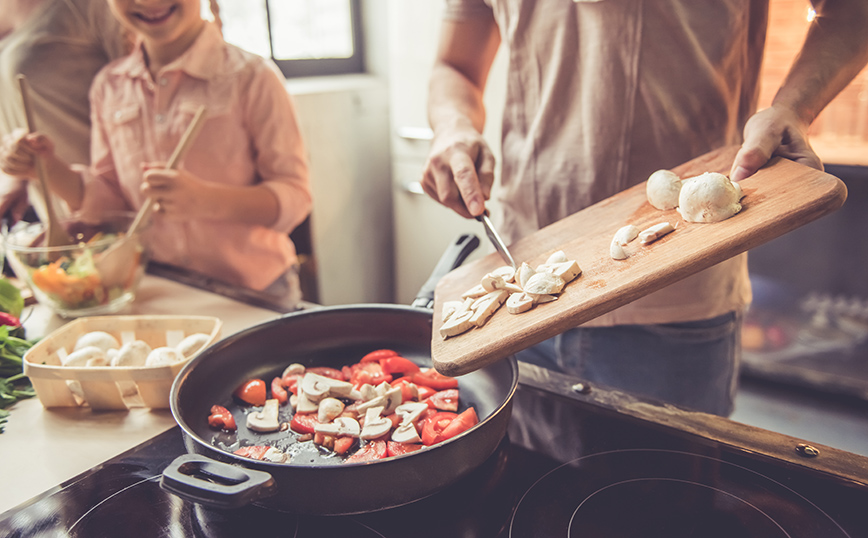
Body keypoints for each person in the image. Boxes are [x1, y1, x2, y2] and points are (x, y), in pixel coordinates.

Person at [422, 0, 868, 416]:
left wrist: (795, 108)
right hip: (522, 274)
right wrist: (452, 126)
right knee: (529, 482)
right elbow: (453, 66)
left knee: (666, 495)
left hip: (677, 298)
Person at [0, 0, 312, 305]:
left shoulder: (253, 77)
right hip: (162, 288)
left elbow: (295, 197)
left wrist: (205, 200)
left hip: (255, 290)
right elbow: (112, 201)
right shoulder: (108, 87)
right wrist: (47, 167)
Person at [0, 0, 129, 224]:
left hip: (115, 215)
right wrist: (15, 176)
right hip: (58, 224)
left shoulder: (89, 6)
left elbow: (148, 93)